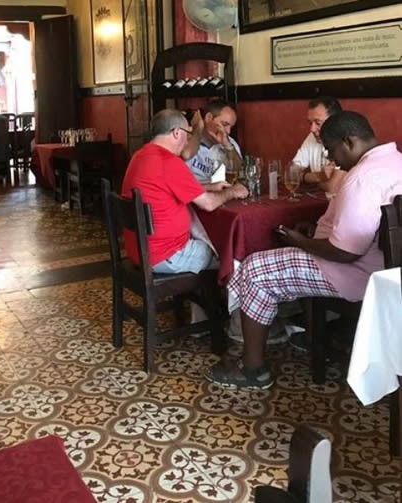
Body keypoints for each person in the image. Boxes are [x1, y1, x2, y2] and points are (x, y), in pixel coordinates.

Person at [207, 111, 402, 390]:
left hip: (354, 272)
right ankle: (311, 335)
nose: (331, 159)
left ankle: (253, 370)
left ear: (349, 142)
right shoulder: (395, 160)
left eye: (332, 150)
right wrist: (317, 230)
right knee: (267, 263)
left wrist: (299, 240)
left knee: (254, 270)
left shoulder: (362, 177)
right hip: (389, 272)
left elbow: (345, 252)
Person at [122, 108, 248, 274]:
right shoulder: (169, 161)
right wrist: (232, 192)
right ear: (176, 133)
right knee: (229, 254)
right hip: (168, 255)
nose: (188, 138)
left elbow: (168, 188)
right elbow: (209, 204)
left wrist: (211, 186)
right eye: (188, 132)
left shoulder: (140, 155)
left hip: (140, 251)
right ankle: (219, 300)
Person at [181, 99, 242, 186]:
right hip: (185, 191)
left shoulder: (228, 142)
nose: (228, 131)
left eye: (231, 127)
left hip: (207, 192)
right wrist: (199, 128)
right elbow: (186, 154)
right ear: (209, 117)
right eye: (224, 124)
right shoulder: (186, 136)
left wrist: (228, 146)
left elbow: (238, 170)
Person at [293, 96, 344, 194]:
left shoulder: (346, 142)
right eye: (310, 123)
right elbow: (291, 174)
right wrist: (319, 176)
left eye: (318, 123)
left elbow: (331, 187)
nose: (312, 129)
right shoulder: (313, 137)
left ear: (335, 122)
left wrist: (305, 179)